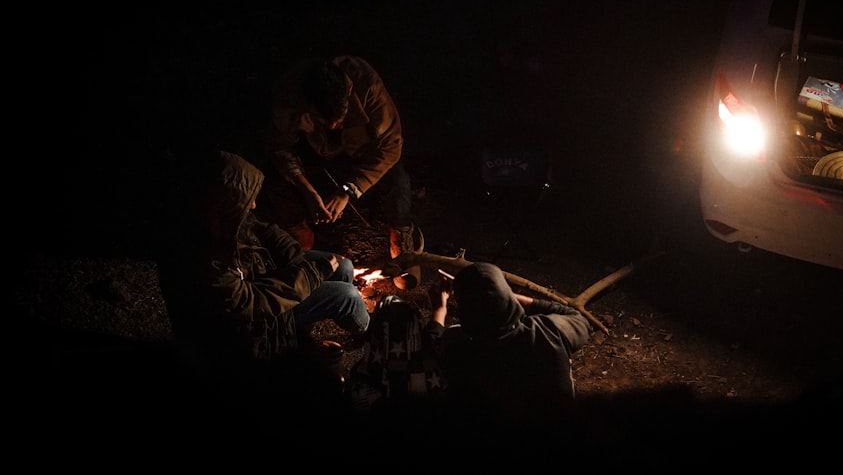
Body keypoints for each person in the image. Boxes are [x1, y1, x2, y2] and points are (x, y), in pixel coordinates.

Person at [157, 150, 371, 383]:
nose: (254, 205)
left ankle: (301, 332)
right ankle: (371, 331)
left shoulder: (220, 217)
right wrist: (310, 275)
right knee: (347, 296)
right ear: (223, 203)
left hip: (261, 275)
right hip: (248, 330)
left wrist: (295, 257)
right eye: (248, 201)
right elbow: (249, 303)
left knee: (344, 266)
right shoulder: (199, 256)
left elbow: (264, 229)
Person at [257, 55, 422, 290]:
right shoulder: (290, 96)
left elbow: (391, 146)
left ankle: (401, 242)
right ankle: (300, 240)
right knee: (274, 179)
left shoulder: (367, 86)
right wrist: (306, 189)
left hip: (358, 150)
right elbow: (280, 148)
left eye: (340, 118)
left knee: (396, 178)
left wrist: (348, 190)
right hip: (312, 151)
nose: (334, 125)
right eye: (325, 120)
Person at [424, 262, 593, 437]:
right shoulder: (550, 330)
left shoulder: (460, 350)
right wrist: (505, 296)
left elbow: (431, 345)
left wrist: (439, 309)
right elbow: (577, 318)